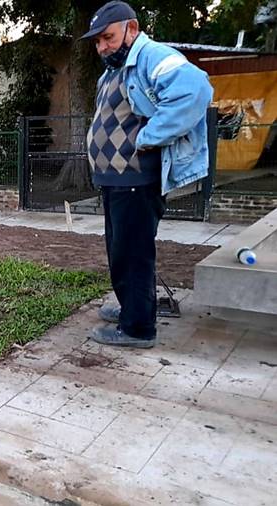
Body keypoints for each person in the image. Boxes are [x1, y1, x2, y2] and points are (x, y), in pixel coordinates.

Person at [81, 1, 213, 348]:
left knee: (133, 254)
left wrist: (148, 137)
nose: (102, 47)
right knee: (120, 251)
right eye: (97, 41)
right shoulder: (113, 70)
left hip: (136, 180)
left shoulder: (151, 57)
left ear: (132, 28)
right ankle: (131, 309)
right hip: (115, 181)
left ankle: (138, 328)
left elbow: (196, 89)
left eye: (108, 37)